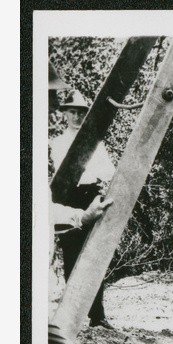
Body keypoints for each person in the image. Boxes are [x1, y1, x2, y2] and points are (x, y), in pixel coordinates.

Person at [48, 64, 120, 344]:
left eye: (69, 104)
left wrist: (82, 213)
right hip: (70, 203)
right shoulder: (51, 143)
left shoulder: (91, 143)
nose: (65, 109)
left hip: (80, 204)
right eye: (60, 102)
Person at [50, 89, 116, 329]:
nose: (76, 117)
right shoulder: (57, 143)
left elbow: (108, 171)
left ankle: (98, 315)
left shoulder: (94, 142)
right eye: (72, 112)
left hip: (90, 196)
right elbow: (60, 171)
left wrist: (96, 183)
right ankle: (72, 315)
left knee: (94, 253)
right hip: (67, 198)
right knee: (70, 255)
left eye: (80, 113)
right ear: (65, 115)